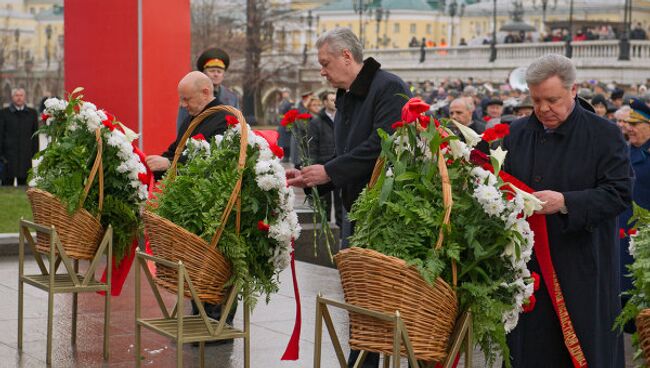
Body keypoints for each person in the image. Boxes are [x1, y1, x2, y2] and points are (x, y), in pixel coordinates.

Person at [285, 27, 410, 368]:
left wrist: (329, 171)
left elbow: (382, 147)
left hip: (383, 211)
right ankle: (361, 360)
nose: (321, 71)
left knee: (375, 296)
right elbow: (347, 154)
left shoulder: (389, 87)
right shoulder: (346, 93)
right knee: (357, 295)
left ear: (346, 56)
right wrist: (314, 179)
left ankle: (367, 360)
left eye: (325, 63)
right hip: (355, 208)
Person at [504, 54, 632, 367]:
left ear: (573, 91)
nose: (543, 109)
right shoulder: (516, 133)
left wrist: (565, 202)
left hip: (582, 268)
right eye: (536, 101)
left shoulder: (604, 135)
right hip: (529, 270)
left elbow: (619, 194)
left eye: (552, 100)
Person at [618, 98, 650, 333]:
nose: (628, 127)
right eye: (628, 123)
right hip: (622, 232)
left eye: (635, 123)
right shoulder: (623, 152)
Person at [176, 48, 239, 132]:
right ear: (204, 73)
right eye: (212, 71)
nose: (216, 74)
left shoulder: (231, 97)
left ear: (223, 75)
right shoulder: (191, 94)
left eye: (219, 71)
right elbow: (182, 125)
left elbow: (238, 125)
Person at [308, 91, 342, 227]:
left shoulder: (341, 117)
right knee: (325, 201)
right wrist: (313, 164)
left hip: (339, 164)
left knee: (340, 199)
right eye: (331, 100)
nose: (334, 102)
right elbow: (312, 145)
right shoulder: (317, 122)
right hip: (323, 165)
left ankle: (340, 228)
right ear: (325, 102)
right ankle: (326, 228)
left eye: (335, 99)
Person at [0, 88, 39, 186]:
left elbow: (35, 134)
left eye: (21, 95)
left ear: (24, 97)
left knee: (24, 187)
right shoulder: (4, 113)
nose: (19, 98)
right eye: (16, 95)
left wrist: (35, 152)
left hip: (25, 156)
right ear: (12, 97)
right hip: (8, 156)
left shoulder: (32, 113)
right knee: (6, 186)